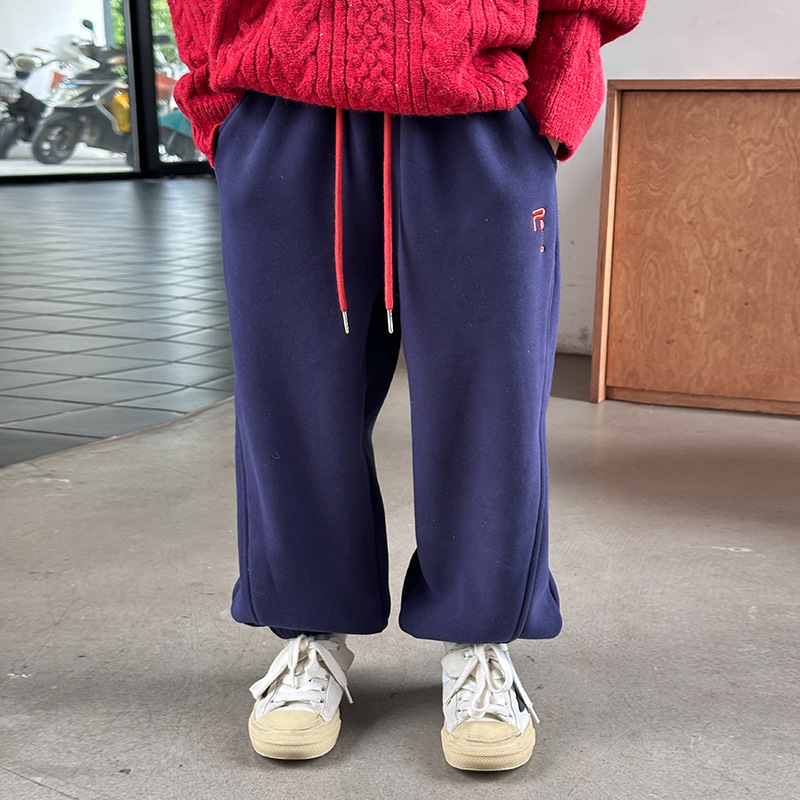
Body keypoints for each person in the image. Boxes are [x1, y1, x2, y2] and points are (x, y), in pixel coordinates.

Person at [168, 0, 645, 772]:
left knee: (492, 397)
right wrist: (220, 105)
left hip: (477, 110)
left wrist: (553, 102)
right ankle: (309, 633)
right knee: (292, 399)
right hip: (283, 108)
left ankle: (480, 639)